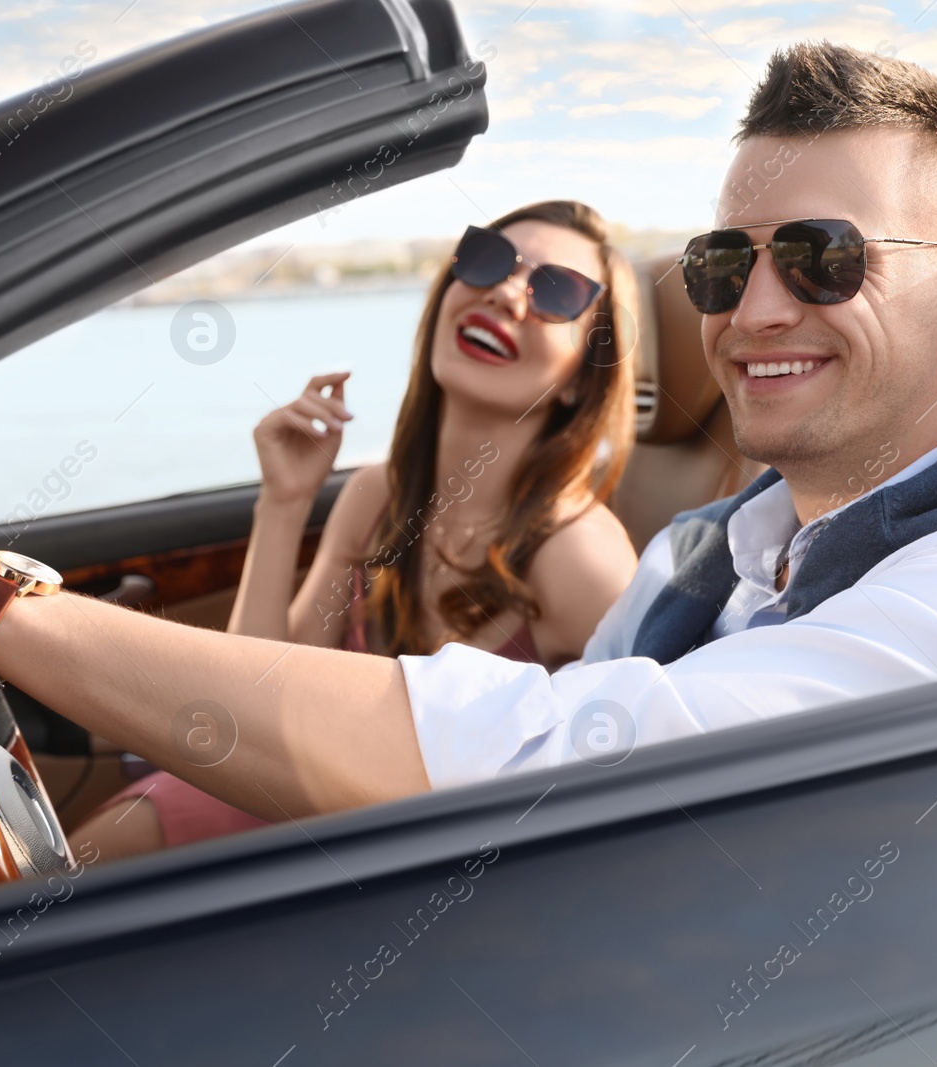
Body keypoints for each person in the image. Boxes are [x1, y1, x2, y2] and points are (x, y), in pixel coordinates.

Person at [0, 42, 937, 830]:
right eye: (723, 264)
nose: (756, 306)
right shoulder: (716, 547)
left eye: (823, 256)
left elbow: (570, 752)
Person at [74, 201, 642, 855]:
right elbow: (252, 694)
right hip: (291, 814)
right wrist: (284, 503)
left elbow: (619, 797)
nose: (509, 294)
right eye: (488, 259)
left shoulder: (579, 557)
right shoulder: (380, 494)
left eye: (556, 291)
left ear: (580, 381)